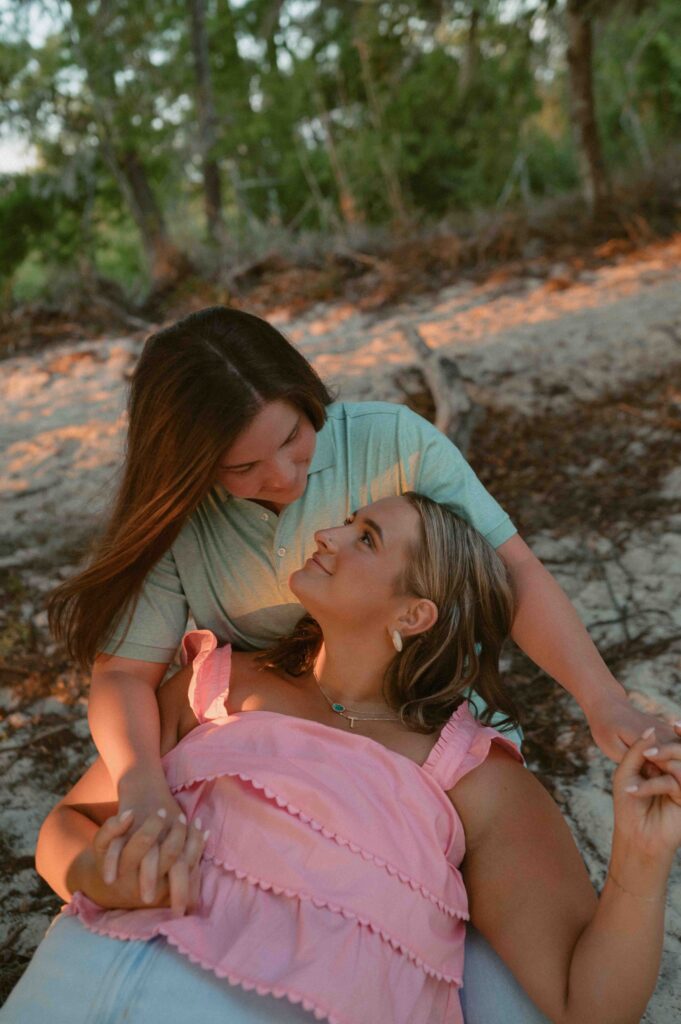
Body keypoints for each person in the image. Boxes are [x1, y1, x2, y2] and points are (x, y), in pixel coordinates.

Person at [45, 305, 672, 1014]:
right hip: (267, 713)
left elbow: (513, 571)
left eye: (295, 438)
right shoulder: (211, 676)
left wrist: (601, 699)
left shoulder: (389, 445)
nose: (286, 478)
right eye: (244, 467)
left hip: (408, 732)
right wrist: (141, 788)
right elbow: (123, 678)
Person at [4, 495, 680, 1024]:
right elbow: (67, 827)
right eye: (348, 523)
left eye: (366, 539)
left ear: (415, 615)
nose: (326, 535)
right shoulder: (217, 682)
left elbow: (584, 1004)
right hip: (79, 980)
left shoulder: (471, 774)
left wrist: (641, 863)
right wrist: (93, 872)